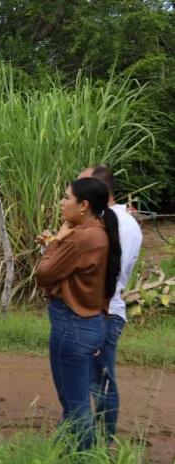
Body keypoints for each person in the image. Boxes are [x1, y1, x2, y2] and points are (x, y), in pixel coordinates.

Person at [35, 176, 122, 450]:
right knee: (77, 399)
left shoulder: (81, 238)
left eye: (66, 197)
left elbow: (44, 274)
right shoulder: (101, 231)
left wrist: (56, 242)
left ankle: (83, 462)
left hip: (71, 324)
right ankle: (63, 455)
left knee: (75, 405)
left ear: (84, 205)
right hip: (90, 321)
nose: (62, 203)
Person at [79, 166, 141, 443]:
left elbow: (108, 273)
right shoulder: (106, 220)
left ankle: (103, 441)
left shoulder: (120, 224)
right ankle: (87, 437)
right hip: (98, 310)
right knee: (89, 379)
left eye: (79, 184)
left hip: (104, 311)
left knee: (101, 380)